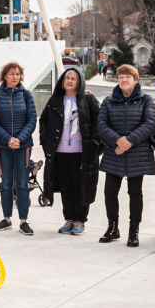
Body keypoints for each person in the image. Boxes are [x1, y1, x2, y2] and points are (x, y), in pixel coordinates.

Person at [96, 64, 155, 247]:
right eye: (121, 77)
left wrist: (128, 141)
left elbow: (150, 123)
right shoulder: (108, 101)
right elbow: (101, 125)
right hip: (114, 153)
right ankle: (112, 228)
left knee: (135, 193)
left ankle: (133, 231)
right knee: (109, 192)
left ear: (135, 80)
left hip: (137, 153)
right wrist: (117, 140)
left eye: (128, 77)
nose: (124, 80)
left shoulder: (146, 100)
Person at [40, 67, 101, 236]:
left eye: (74, 78)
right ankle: (69, 219)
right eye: (67, 77)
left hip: (81, 153)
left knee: (81, 187)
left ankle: (80, 220)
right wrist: (45, 141)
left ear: (79, 82)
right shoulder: (55, 100)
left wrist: (95, 144)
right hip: (59, 153)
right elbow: (44, 120)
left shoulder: (88, 99)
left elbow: (99, 122)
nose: (70, 81)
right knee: (65, 186)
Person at [0, 62, 37, 235]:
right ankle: (6, 219)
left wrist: (19, 139)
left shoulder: (26, 95)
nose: (15, 77)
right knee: (7, 184)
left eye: (17, 74)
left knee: (23, 184)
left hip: (23, 146)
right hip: (3, 147)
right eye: (11, 74)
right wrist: (8, 139)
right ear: (4, 76)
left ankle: (24, 221)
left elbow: (32, 120)